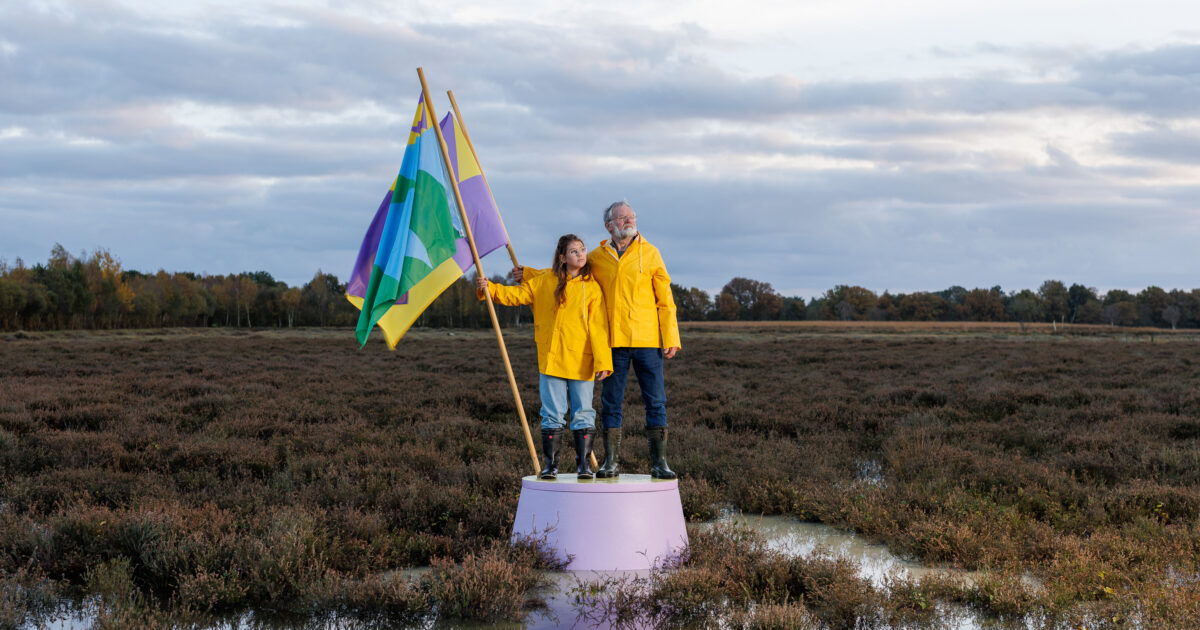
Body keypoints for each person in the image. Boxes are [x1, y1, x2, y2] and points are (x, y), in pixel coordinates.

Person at [515, 201, 681, 479]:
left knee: (656, 401)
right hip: (613, 343)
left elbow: (665, 300)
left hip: (648, 340)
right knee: (611, 403)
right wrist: (529, 274)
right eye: (622, 217)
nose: (628, 220)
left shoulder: (651, 254)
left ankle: (659, 462)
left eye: (631, 216)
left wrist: (671, 336)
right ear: (609, 225)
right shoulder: (595, 256)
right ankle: (610, 462)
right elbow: (567, 271)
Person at [477, 234, 612, 480]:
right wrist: (490, 288)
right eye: (574, 251)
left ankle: (583, 466)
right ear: (562, 258)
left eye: (582, 250)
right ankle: (551, 467)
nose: (581, 254)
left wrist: (604, 361)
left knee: (583, 412)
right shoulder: (544, 282)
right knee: (552, 413)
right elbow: (515, 296)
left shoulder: (592, 287)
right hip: (551, 360)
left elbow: (599, 328)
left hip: (582, 361)